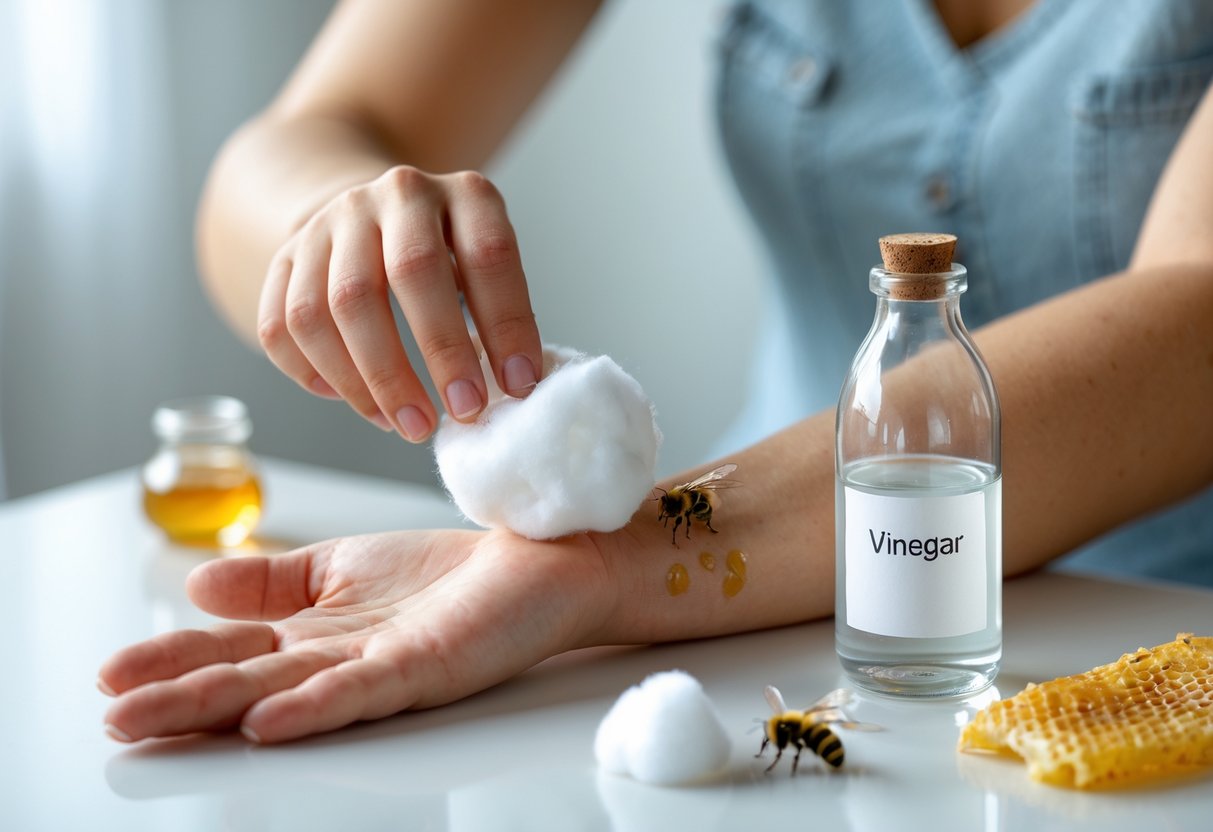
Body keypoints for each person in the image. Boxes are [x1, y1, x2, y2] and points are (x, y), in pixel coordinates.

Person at [99, 0, 1212, 745]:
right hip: (766, 640)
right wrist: (335, 227)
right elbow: (292, 141)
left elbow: (1192, 316)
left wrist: (629, 565)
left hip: (1160, 661)